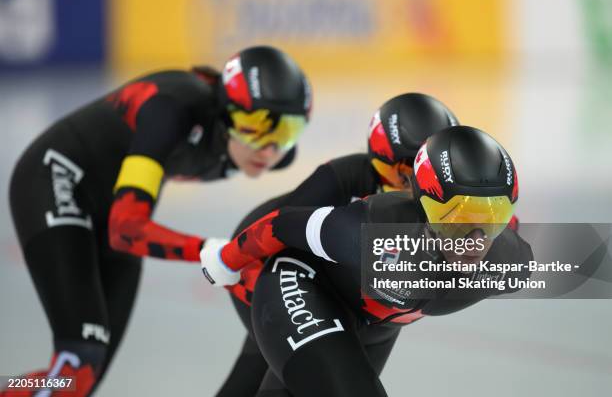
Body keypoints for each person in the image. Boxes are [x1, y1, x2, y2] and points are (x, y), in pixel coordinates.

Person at [3, 45, 311, 397]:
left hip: (109, 210)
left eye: (286, 130)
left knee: (83, 377)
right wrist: (214, 253)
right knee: (76, 365)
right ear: (225, 112)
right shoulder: (174, 109)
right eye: (253, 126)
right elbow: (127, 229)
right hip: (55, 179)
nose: (268, 149)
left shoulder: (271, 154)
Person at [202, 126, 532, 396]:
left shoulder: (510, 261)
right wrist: (227, 260)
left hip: (376, 321)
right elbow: (282, 224)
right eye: (456, 218)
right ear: (424, 204)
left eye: (493, 218)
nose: (475, 239)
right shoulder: (372, 230)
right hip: (303, 285)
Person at [212, 93, 459, 396]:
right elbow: (280, 228)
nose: (416, 186)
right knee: (271, 366)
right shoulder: (344, 175)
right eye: (406, 172)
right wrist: (229, 261)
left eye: (428, 174)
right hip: (266, 262)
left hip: (360, 301)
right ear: (378, 160)